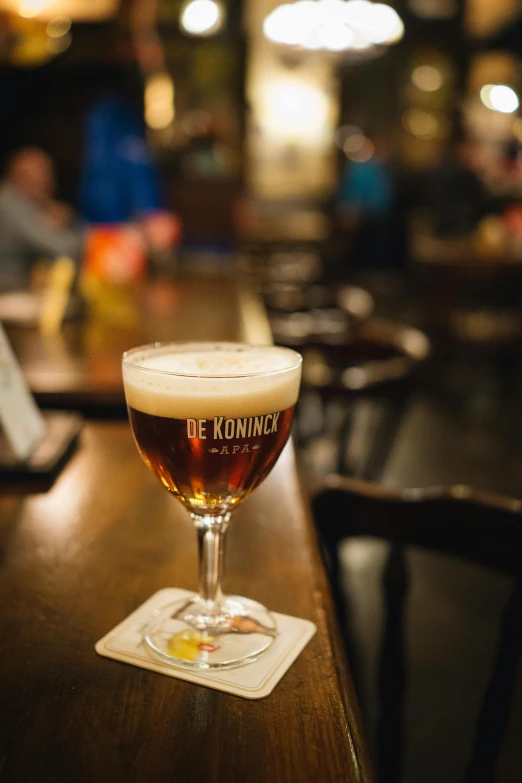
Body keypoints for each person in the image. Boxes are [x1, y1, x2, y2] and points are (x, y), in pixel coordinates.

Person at [0, 147, 84, 290]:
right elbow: (61, 248)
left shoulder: (26, 203)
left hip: (19, 286)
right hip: (8, 289)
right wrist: (97, 239)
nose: (50, 182)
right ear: (21, 176)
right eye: (43, 174)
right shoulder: (9, 204)